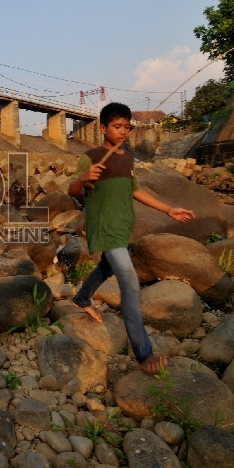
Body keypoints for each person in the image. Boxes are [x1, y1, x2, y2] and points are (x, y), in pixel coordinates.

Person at [67, 102, 195, 376]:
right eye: (117, 126)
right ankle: (144, 355)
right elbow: (72, 189)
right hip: (104, 227)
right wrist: (85, 178)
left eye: (127, 127)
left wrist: (168, 209)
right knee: (131, 285)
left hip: (122, 225)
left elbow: (136, 190)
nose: (123, 131)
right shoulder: (91, 156)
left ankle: (81, 297)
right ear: (103, 128)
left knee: (108, 266)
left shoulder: (126, 158)